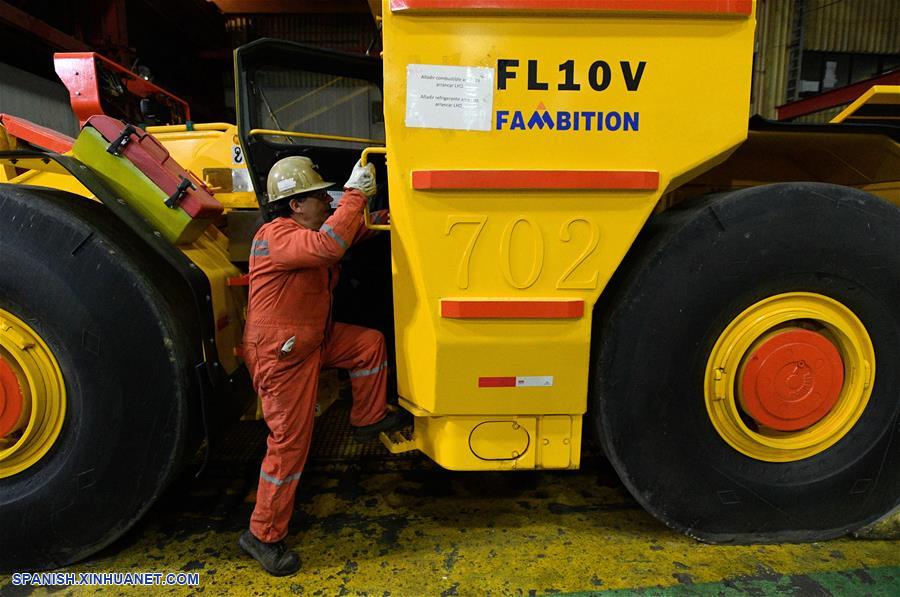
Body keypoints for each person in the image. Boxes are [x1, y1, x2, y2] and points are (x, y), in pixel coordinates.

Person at [238, 155, 405, 576]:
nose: (327, 204)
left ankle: (367, 417)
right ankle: (263, 536)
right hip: (281, 354)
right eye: (319, 198)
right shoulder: (277, 235)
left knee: (369, 344)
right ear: (294, 204)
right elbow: (331, 244)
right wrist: (353, 195)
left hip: (309, 340)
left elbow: (349, 233)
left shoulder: (308, 231)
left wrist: (385, 210)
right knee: (289, 445)